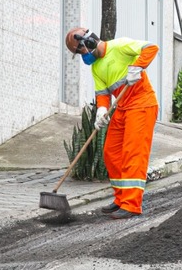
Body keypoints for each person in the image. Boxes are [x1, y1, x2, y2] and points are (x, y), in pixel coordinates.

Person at [65, 28, 159, 219]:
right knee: (111, 152)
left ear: (88, 42)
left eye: (80, 51)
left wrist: (138, 67)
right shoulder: (96, 67)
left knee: (133, 153)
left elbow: (151, 48)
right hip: (122, 108)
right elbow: (102, 94)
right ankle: (121, 198)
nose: (83, 56)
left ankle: (131, 205)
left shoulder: (120, 45)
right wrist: (101, 111)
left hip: (141, 105)